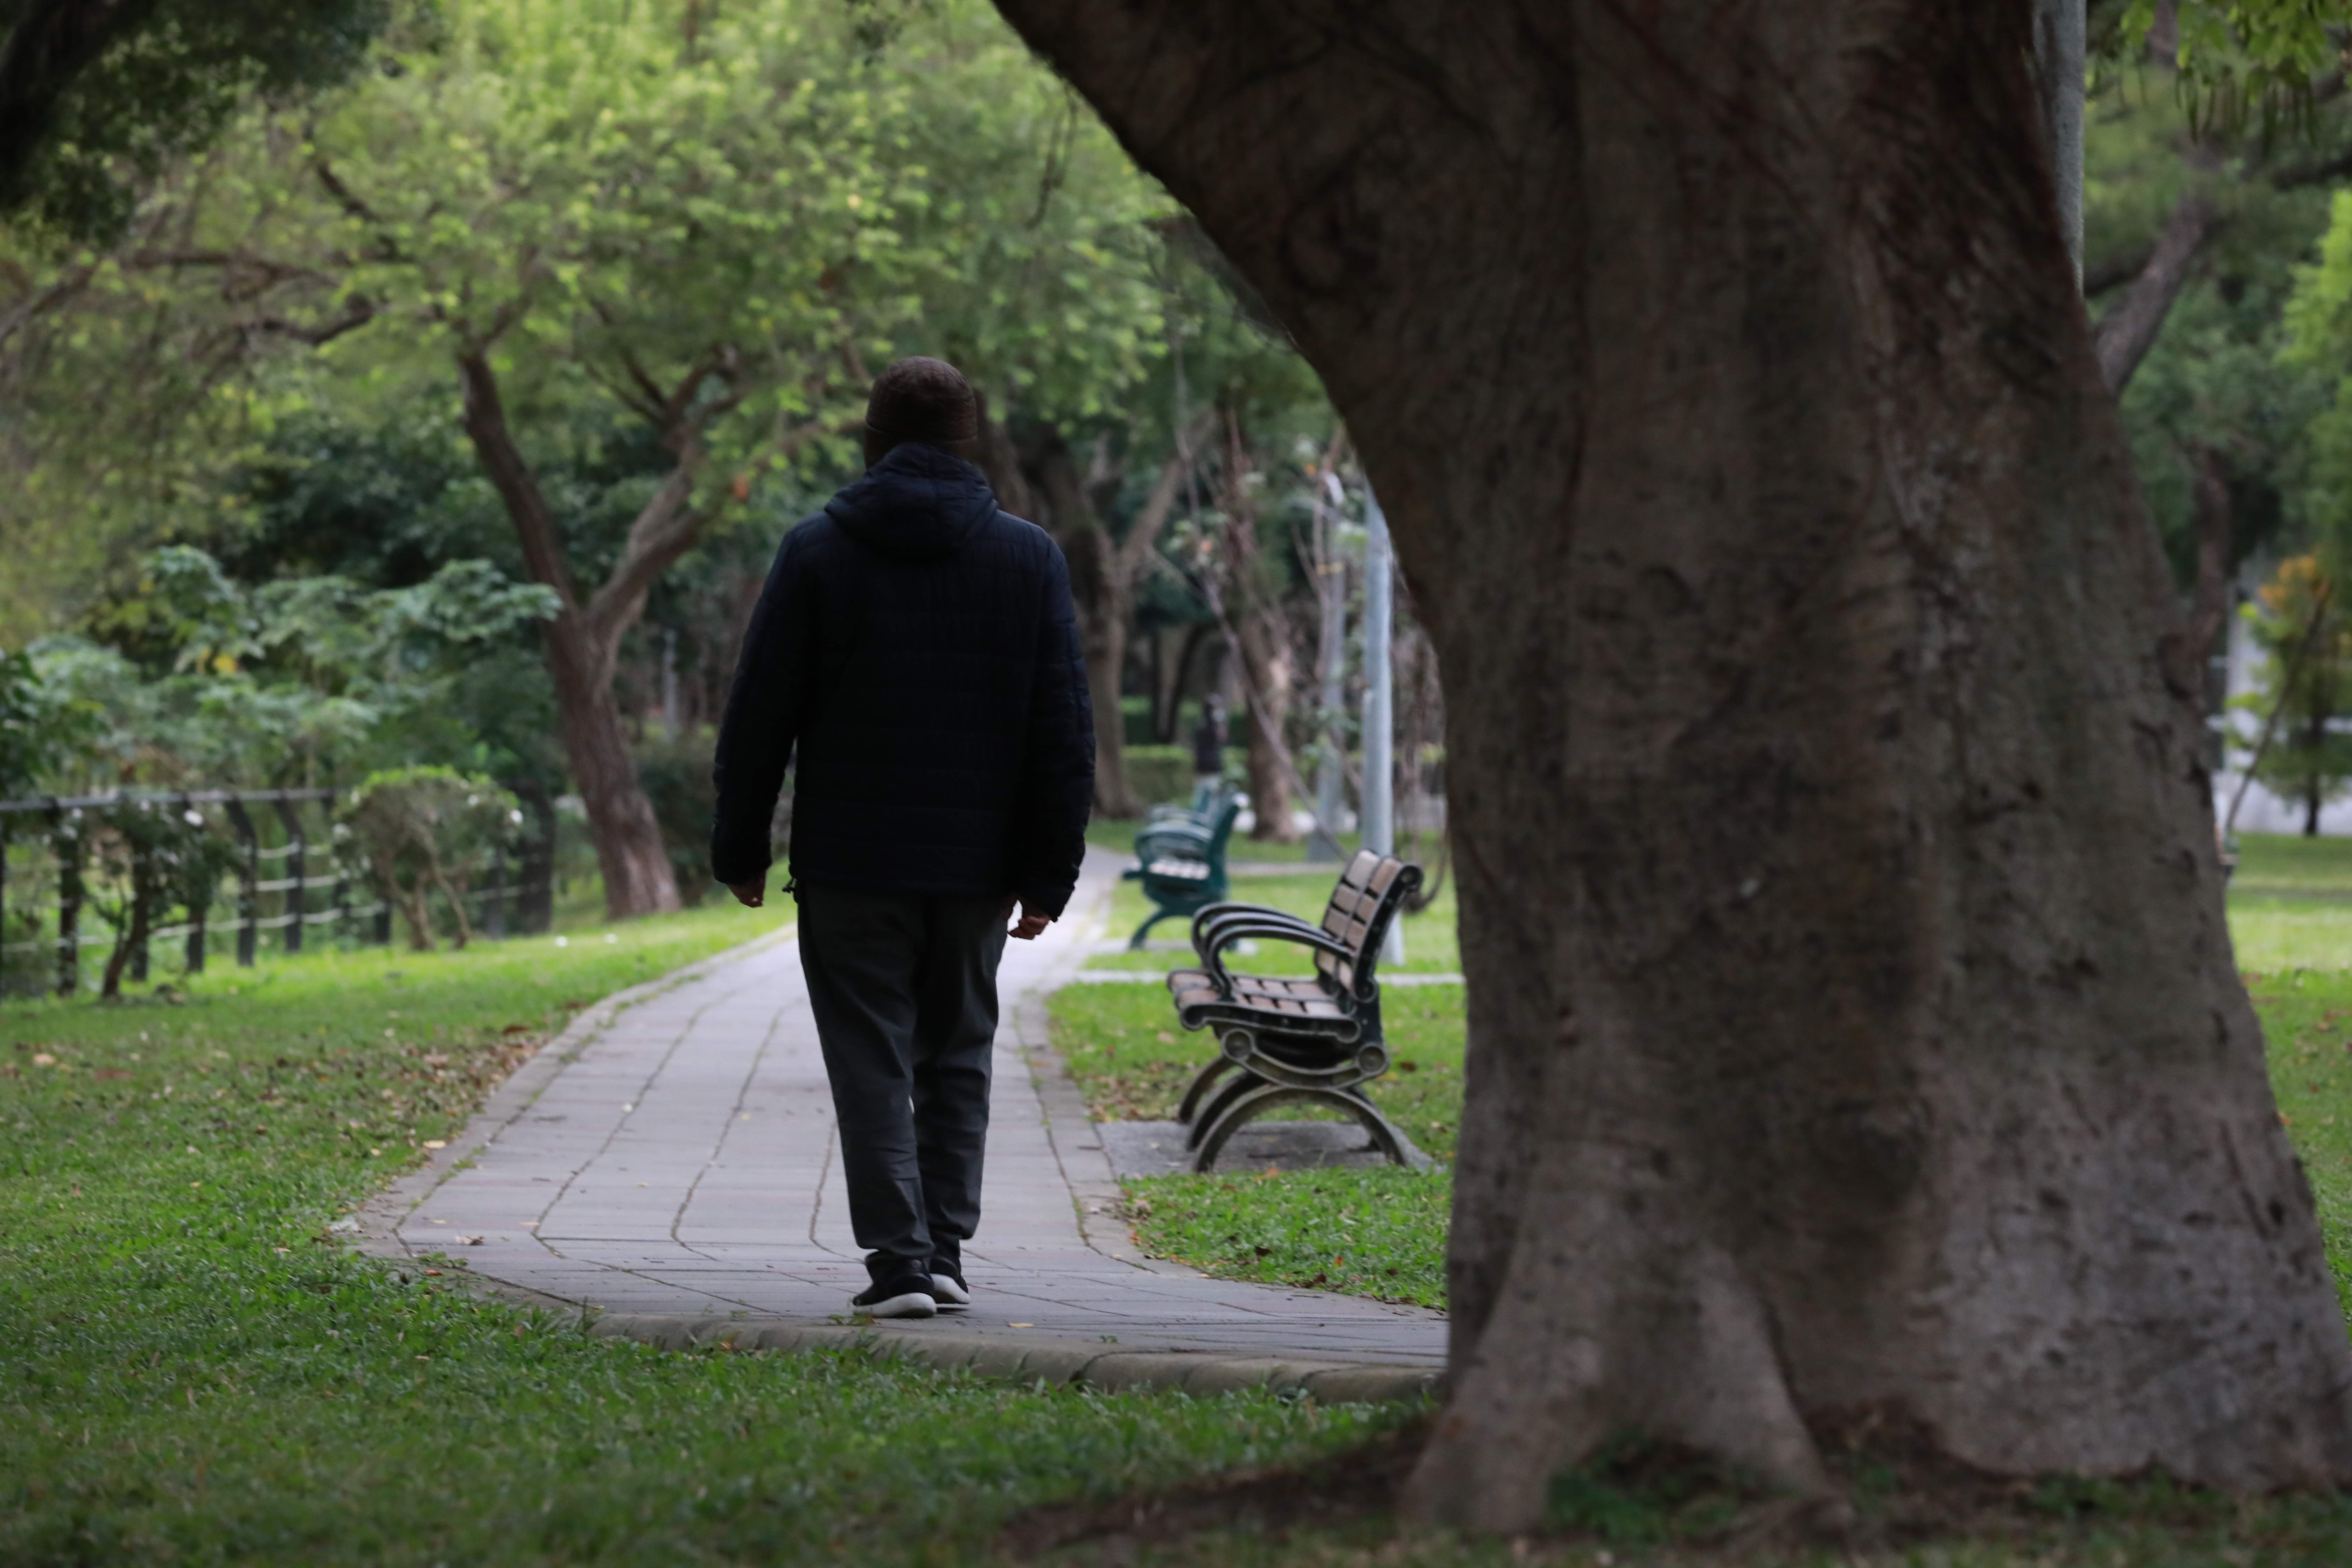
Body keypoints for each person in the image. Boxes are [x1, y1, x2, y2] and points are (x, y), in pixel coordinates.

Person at [709, 356, 1094, 1320]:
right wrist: (1049, 873)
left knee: (871, 1055)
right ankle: (947, 1251)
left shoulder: (817, 552)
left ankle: (899, 1263)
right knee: (958, 1051)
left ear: (872, 442)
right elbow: (1064, 731)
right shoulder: (1029, 557)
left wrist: (740, 846)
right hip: (974, 872)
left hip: (850, 866)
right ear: (972, 446)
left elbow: (760, 713)